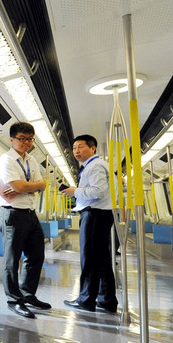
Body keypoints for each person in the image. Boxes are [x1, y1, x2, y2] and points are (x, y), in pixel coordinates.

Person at [0, 122, 50, 318]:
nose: (27, 143)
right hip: (12, 213)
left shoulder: (32, 161)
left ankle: (27, 294)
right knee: (12, 259)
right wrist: (32, 185)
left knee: (36, 256)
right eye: (22, 139)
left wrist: (31, 185)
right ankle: (14, 300)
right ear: (12, 140)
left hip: (30, 213)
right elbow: (17, 186)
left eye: (30, 139)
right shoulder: (6, 160)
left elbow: (42, 184)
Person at [60, 134, 117, 313]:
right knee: (102, 259)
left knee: (90, 259)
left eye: (81, 147)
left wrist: (74, 191)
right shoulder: (94, 166)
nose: (76, 151)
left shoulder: (95, 166)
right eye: (74, 148)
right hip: (101, 214)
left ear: (93, 149)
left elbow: (98, 191)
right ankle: (106, 300)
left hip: (95, 214)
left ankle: (86, 299)